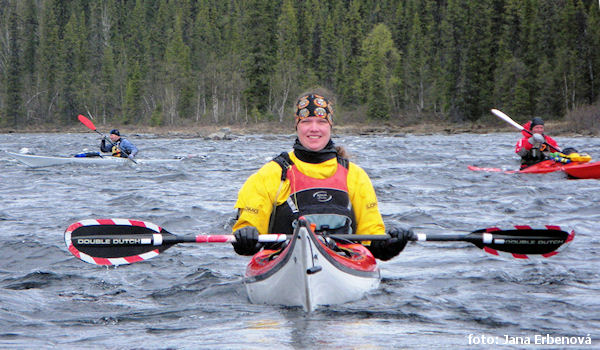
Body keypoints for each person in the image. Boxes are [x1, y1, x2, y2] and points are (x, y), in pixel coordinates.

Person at [230, 91, 412, 261]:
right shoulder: (272, 173)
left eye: (321, 122)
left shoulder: (355, 175)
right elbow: (248, 235)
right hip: (284, 260)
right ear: (297, 126)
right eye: (306, 121)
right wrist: (246, 235)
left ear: (330, 126)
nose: (314, 128)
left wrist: (391, 244)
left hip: (343, 260)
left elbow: (373, 240)